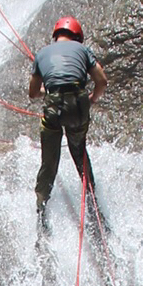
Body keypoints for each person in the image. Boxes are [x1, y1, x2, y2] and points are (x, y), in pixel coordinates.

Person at [29, 15, 106, 227]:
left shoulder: (42, 54)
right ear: (77, 37)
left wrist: (49, 90)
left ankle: (41, 205)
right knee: (79, 150)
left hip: (54, 106)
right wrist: (91, 99)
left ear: (56, 36)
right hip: (79, 106)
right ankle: (92, 203)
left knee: (49, 160)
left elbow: (33, 93)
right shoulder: (83, 51)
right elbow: (102, 80)